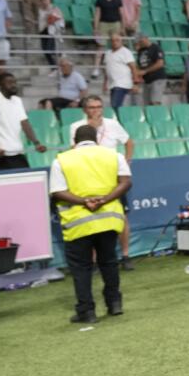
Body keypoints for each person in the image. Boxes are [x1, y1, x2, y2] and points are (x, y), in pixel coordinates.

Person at [49, 124, 131, 323]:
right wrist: (104, 199)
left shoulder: (62, 160)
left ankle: (87, 311)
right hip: (108, 219)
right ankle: (114, 304)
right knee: (109, 262)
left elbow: (58, 191)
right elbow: (126, 182)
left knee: (82, 268)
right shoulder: (113, 155)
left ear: (74, 141)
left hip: (78, 222)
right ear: (96, 139)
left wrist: (85, 202)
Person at [71, 95, 137, 269]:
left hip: (113, 178)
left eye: (99, 107)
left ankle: (125, 256)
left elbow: (129, 142)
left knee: (122, 216)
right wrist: (90, 129)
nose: (96, 111)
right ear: (85, 110)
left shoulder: (112, 124)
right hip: (89, 178)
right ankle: (93, 261)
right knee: (92, 218)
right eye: (92, 107)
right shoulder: (77, 127)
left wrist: (126, 161)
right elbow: (74, 150)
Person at [0, 72, 46, 169]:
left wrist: (36, 143)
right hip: (3, 154)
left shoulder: (17, 100)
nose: (13, 85)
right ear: (0, 85)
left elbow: (25, 123)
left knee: (26, 179)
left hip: (18, 152)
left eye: (14, 82)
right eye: (9, 83)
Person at [93, 0, 124, 78]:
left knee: (117, 46)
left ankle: (118, 68)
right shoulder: (100, 0)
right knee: (100, 46)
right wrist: (96, 28)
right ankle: (96, 69)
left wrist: (122, 27)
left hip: (116, 24)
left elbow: (121, 14)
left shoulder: (118, 0)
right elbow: (97, 14)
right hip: (103, 24)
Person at [102, 33, 137, 109]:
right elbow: (107, 69)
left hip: (122, 83)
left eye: (117, 40)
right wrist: (105, 83)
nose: (115, 42)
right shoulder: (107, 53)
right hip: (112, 84)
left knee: (115, 106)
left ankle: (118, 120)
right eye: (113, 40)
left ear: (121, 41)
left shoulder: (126, 52)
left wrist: (135, 83)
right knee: (114, 105)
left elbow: (133, 68)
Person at [135, 33, 166, 107]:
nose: (139, 43)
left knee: (155, 102)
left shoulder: (156, 48)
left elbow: (160, 63)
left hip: (157, 78)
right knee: (147, 104)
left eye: (140, 41)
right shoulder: (140, 51)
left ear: (145, 39)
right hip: (147, 80)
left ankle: (157, 118)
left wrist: (145, 71)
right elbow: (140, 65)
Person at [37, 0, 65, 67]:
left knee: (49, 49)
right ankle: (53, 67)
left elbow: (60, 19)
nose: (43, 1)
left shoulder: (55, 8)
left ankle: (59, 59)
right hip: (42, 31)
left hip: (52, 31)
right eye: (41, 0)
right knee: (45, 50)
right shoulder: (39, 10)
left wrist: (52, 19)